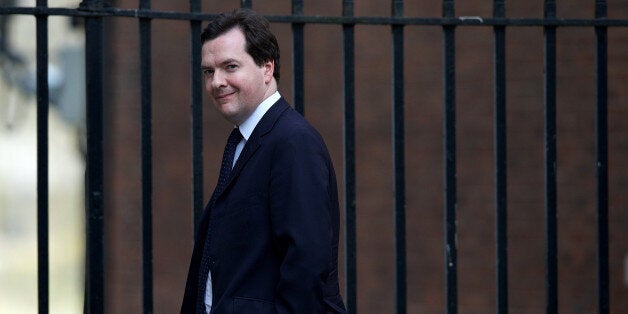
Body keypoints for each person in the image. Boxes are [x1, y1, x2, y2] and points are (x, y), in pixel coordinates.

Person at [181, 8, 347, 314]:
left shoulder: (293, 142)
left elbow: (306, 264)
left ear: (267, 68)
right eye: (208, 71)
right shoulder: (248, 141)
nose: (217, 82)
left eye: (230, 67)